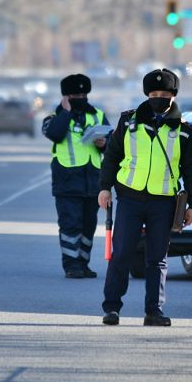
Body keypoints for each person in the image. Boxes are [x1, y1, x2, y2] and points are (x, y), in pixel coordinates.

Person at [98, 68, 192, 326]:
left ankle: (153, 311)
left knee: (157, 258)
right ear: (147, 95)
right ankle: (112, 308)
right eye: (154, 93)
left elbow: (191, 171)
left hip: (163, 201)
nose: (158, 97)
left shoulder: (185, 131)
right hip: (129, 198)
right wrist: (104, 187)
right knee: (121, 253)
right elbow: (112, 157)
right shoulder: (128, 122)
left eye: (164, 94)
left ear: (173, 96)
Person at [42, 73, 111, 279]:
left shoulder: (97, 115)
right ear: (66, 96)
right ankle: (71, 265)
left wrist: (103, 143)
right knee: (70, 225)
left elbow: (112, 141)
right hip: (67, 182)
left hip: (93, 181)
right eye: (75, 94)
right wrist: (66, 112)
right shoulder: (54, 118)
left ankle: (83, 263)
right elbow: (55, 134)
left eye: (83, 93)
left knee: (88, 226)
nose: (80, 97)